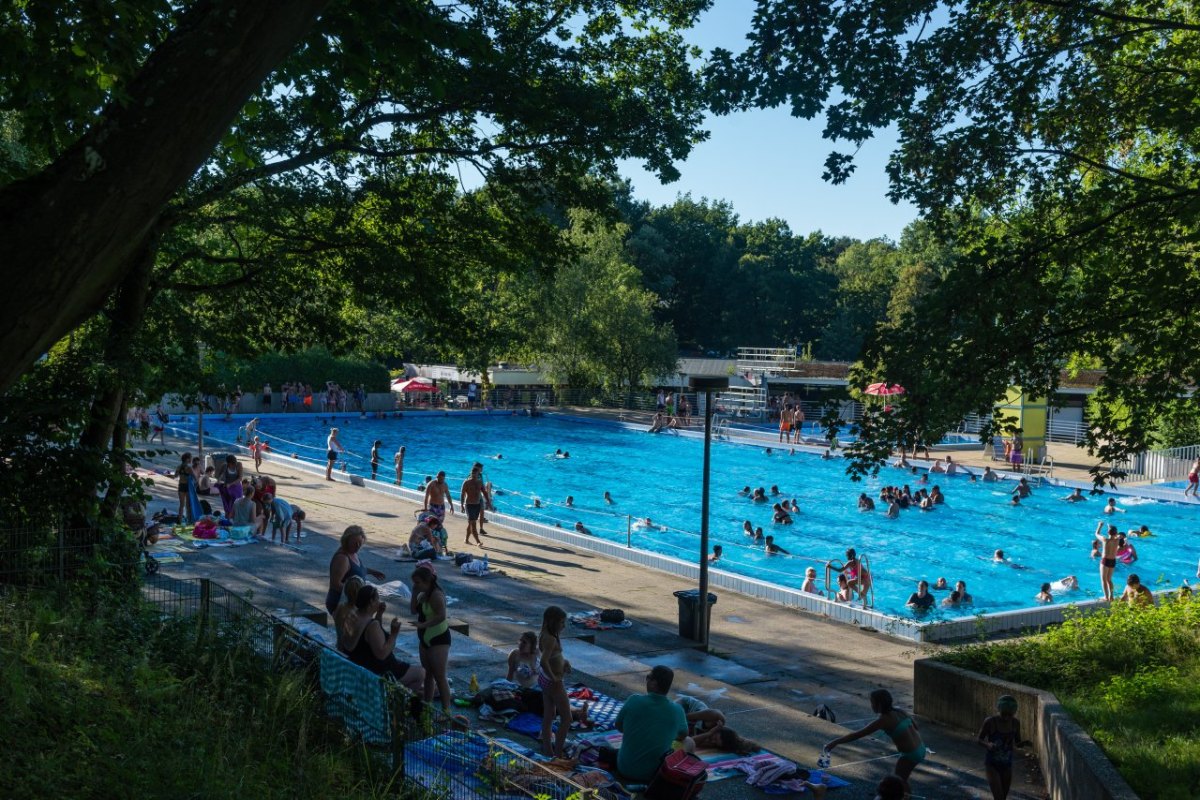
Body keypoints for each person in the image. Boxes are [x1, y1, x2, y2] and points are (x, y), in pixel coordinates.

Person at [825, 688, 925, 782]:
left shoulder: (883, 720)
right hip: (920, 748)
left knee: (897, 782)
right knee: (901, 780)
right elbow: (915, 727)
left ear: (879, 705)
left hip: (910, 754)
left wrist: (835, 742)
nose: (871, 706)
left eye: (872, 703)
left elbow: (857, 735)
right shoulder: (899, 711)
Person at [342, 583, 425, 692]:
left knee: (416, 676)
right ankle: (398, 701)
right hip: (379, 672)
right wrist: (394, 634)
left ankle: (403, 696)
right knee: (421, 673)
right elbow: (382, 654)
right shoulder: (372, 625)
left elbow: (372, 638)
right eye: (377, 599)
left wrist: (379, 615)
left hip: (361, 665)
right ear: (371, 601)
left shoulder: (352, 615)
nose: (379, 602)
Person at [613, 665, 689, 782]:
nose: (647, 680)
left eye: (648, 677)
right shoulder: (677, 710)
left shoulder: (634, 700)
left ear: (654, 683)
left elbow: (618, 726)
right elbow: (683, 735)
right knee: (689, 742)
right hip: (653, 775)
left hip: (624, 768)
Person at [410, 565, 452, 712]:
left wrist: (423, 625)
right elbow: (413, 610)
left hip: (438, 638)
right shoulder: (422, 594)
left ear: (427, 581)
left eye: (417, 583)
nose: (415, 585)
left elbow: (441, 616)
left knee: (440, 676)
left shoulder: (436, 595)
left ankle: (447, 711)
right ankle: (428, 706)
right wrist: (414, 592)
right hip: (425, 638)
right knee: (428, 674)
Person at [325, 525, 385, 615]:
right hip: (342, 604)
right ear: (346, 541)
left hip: (352, 603)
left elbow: (355, 570)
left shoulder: (352, 553)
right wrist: (357, 593)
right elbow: (335, 584)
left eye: (360, 543)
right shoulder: (342, 558)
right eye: (354, 543)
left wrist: (371, 571)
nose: (357, 546)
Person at [538, 606, 573, 757]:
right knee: (567, 718)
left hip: (544, 680)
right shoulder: (551, 639)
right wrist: (554, 677)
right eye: (561, 622)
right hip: (553, 683)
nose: (563, 626)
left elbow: (552, 658)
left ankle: (548, 750)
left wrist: (564, 663)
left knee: (549, 716)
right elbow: (544, 661)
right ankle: (558, 752)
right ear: (552, 622)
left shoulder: (544, 634)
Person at [978, 695, 1029, 800]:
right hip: (992, 765)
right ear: (999, 710)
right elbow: (979, 739)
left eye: (1009, 715)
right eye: (1003, 714)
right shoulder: (990, 722)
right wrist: (988, 744)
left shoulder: (1015, 723)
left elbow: (1017, 742)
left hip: (1007, 765)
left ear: (1014, 713)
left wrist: (1024, 743)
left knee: (1003, 797)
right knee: (999, 797)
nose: (1006, 717)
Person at [461, 466, 486, 547]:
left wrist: (488, 502)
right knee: (473, 523)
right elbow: (462, 494)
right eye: (472, 474)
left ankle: (466, 539)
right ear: (471, 474)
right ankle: (478, 542)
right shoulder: (466, 482)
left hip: (477, 505)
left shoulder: (480, 482)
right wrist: (461, 505)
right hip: (469, 505)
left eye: (475, 474)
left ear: (478, 474)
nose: (474, 475)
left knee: (470, 523)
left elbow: (484, 492)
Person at [1095, 521, 1120, 601]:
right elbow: (1117, 534)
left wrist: (1100, 526)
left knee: (1103, 579)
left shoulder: (1105, 539)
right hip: (1113, 561)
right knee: (1109, 580)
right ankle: (1111, 596)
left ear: (1108, 532)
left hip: (1105, 561)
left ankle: (1106, 597)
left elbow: (1096, 534)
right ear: (1115, 532)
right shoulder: (1117, 540)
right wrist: (1111, 528)